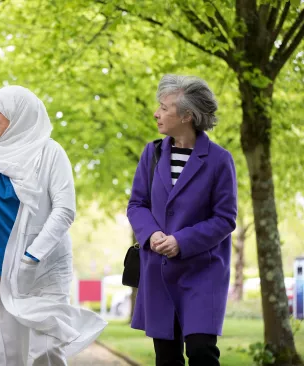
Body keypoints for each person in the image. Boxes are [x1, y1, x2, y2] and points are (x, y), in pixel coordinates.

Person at [0, 85, 107, 366]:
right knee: (7, 350)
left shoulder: (50, 153)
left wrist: (31, 256)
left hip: (41, 269)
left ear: (19, 115)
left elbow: (64, 210)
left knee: (45, 348)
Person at [127, 74, 238, 366]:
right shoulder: (151, 153)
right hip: (158, 272)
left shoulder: (219, 160)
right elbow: (137, 204)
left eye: (164, 107)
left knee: (202, 352)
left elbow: (225, 218)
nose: (157, 113)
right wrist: (150, 234)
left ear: (188, 115)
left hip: (203, 272)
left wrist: (182, 241)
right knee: (166, 357)